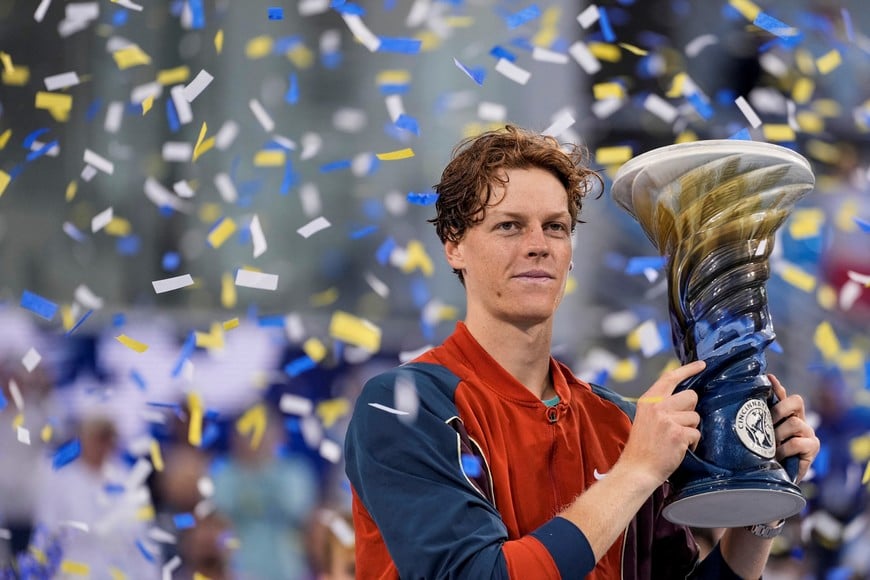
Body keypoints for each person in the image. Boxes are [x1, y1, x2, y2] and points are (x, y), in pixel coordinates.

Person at [343, 125, 820, 578]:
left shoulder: (619, 423)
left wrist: (762, 509)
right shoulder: (403, 406)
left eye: (555, 227)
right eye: (509, 226)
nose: (538, 246)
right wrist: (634, 472)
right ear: (454, 247)